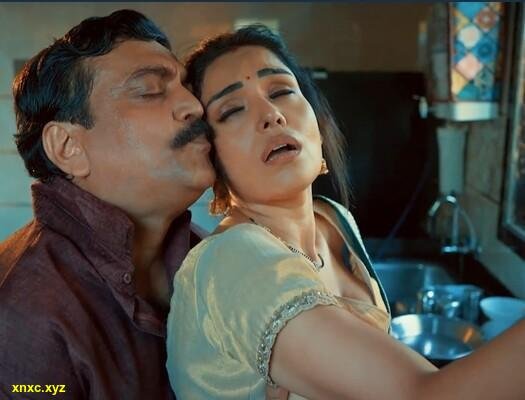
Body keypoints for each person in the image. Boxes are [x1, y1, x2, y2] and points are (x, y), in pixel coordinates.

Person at [166, 25, 525, 400]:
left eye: (282, 91)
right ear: (211, 157)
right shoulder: (232, 258)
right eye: (232, 110)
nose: (271, 114)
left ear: (317, 122)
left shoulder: (335, 221)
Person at [0, 9, 216, 399]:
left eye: (187, 87)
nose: (194, 106)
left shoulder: (210, 256)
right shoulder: (23, 311)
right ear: (68, 147)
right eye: (150, 90)